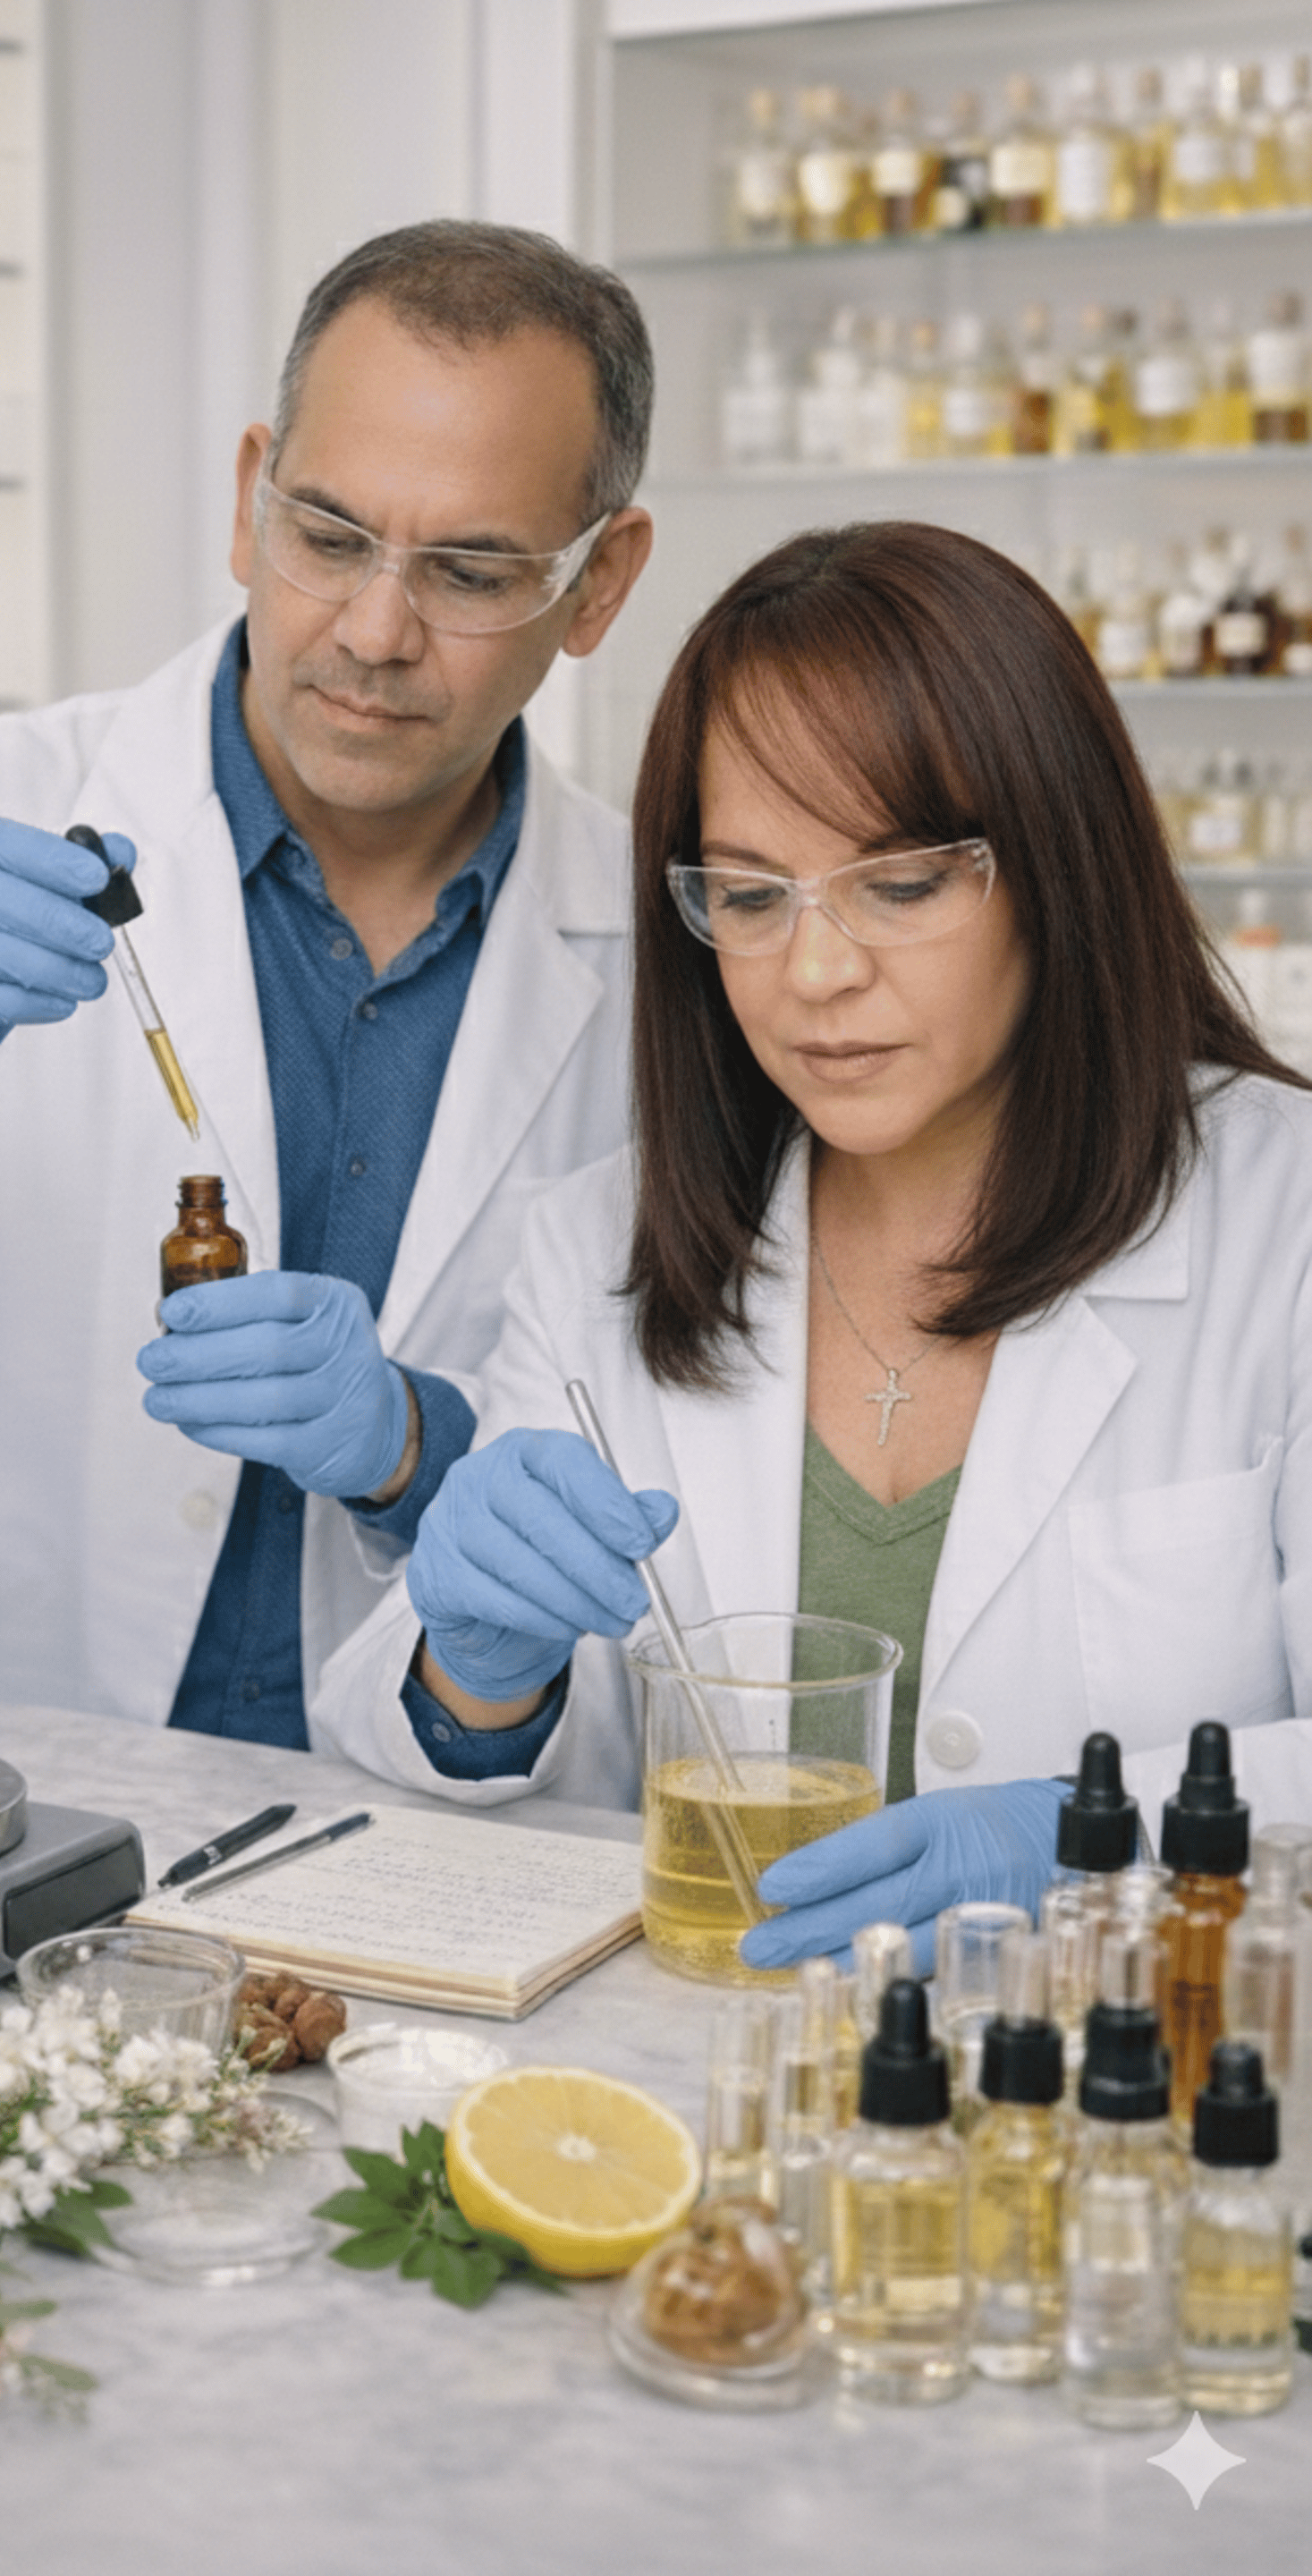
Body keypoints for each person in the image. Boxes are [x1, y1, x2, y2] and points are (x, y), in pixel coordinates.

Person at [0, 221, 654, 1744]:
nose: (373, 631)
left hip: (436, 1836)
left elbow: (677, 1481)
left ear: (600, 582)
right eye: (330, 535)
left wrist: (420, 1446)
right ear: (248, 499)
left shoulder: (675, 959)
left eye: (473, 570)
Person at [311, 520, 1312, 1965]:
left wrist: (1096, 1835)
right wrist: (481, 1668)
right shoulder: (602, 1243)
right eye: (752, 896)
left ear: (1059, 861)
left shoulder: (1279, 1221)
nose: (818, 972)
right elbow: (444, 1762)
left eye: (901, 885)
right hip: (716, 2097)